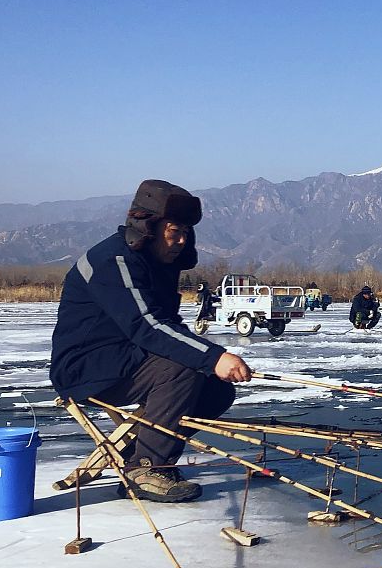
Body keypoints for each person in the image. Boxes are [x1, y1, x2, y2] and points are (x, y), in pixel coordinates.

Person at [50, 180, 252, 503]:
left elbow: (166, 323)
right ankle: (146, 468)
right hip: (86, 367)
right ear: (149, 228)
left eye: (186, 232)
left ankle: (137, 453)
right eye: (174, 232)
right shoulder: (114, 261)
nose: (181, 240)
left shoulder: (159, 263)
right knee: (182, 368)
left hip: (128, 359)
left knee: (216, 389)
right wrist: (213, 357)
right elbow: (148, 326)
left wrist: (209, 362)